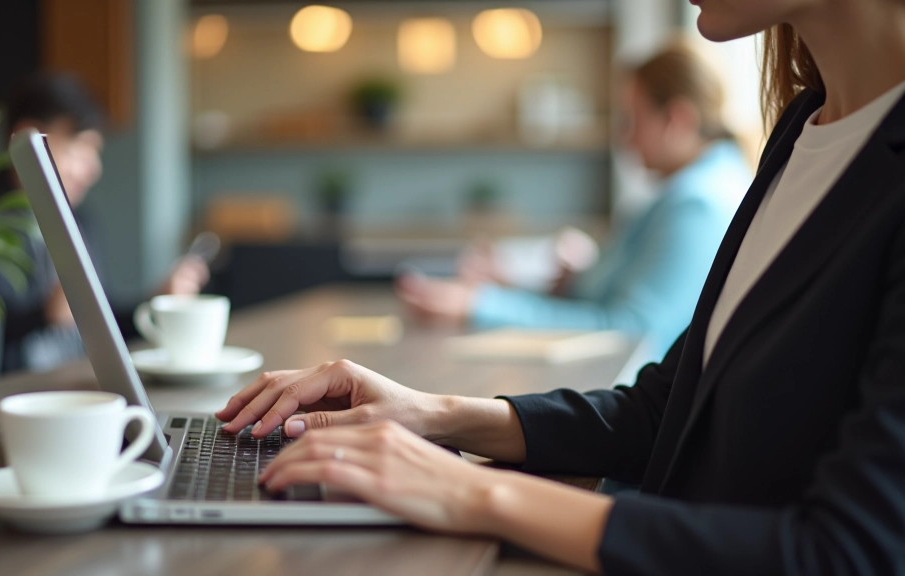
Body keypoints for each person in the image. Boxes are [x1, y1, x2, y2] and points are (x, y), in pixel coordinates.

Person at [216, 0, 905, 572]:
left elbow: (845, 553)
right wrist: (431, 413)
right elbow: (666, 413)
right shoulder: (803, 129)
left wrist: (470, 491)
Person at [397, 40, 752, 360]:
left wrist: (480, 304)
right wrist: (575, 280)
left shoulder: (698, 207)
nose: (623, 138)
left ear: (676, 120)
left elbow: (630, 330)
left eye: (632, 120)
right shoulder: (694, 191)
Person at [0, 74, 208, 372]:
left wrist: (155, 304)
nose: (92, 169)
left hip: (82, 382)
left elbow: (102, 324)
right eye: (79, 148)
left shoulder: (81, 221)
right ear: (27, 137)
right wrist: (45, 314)